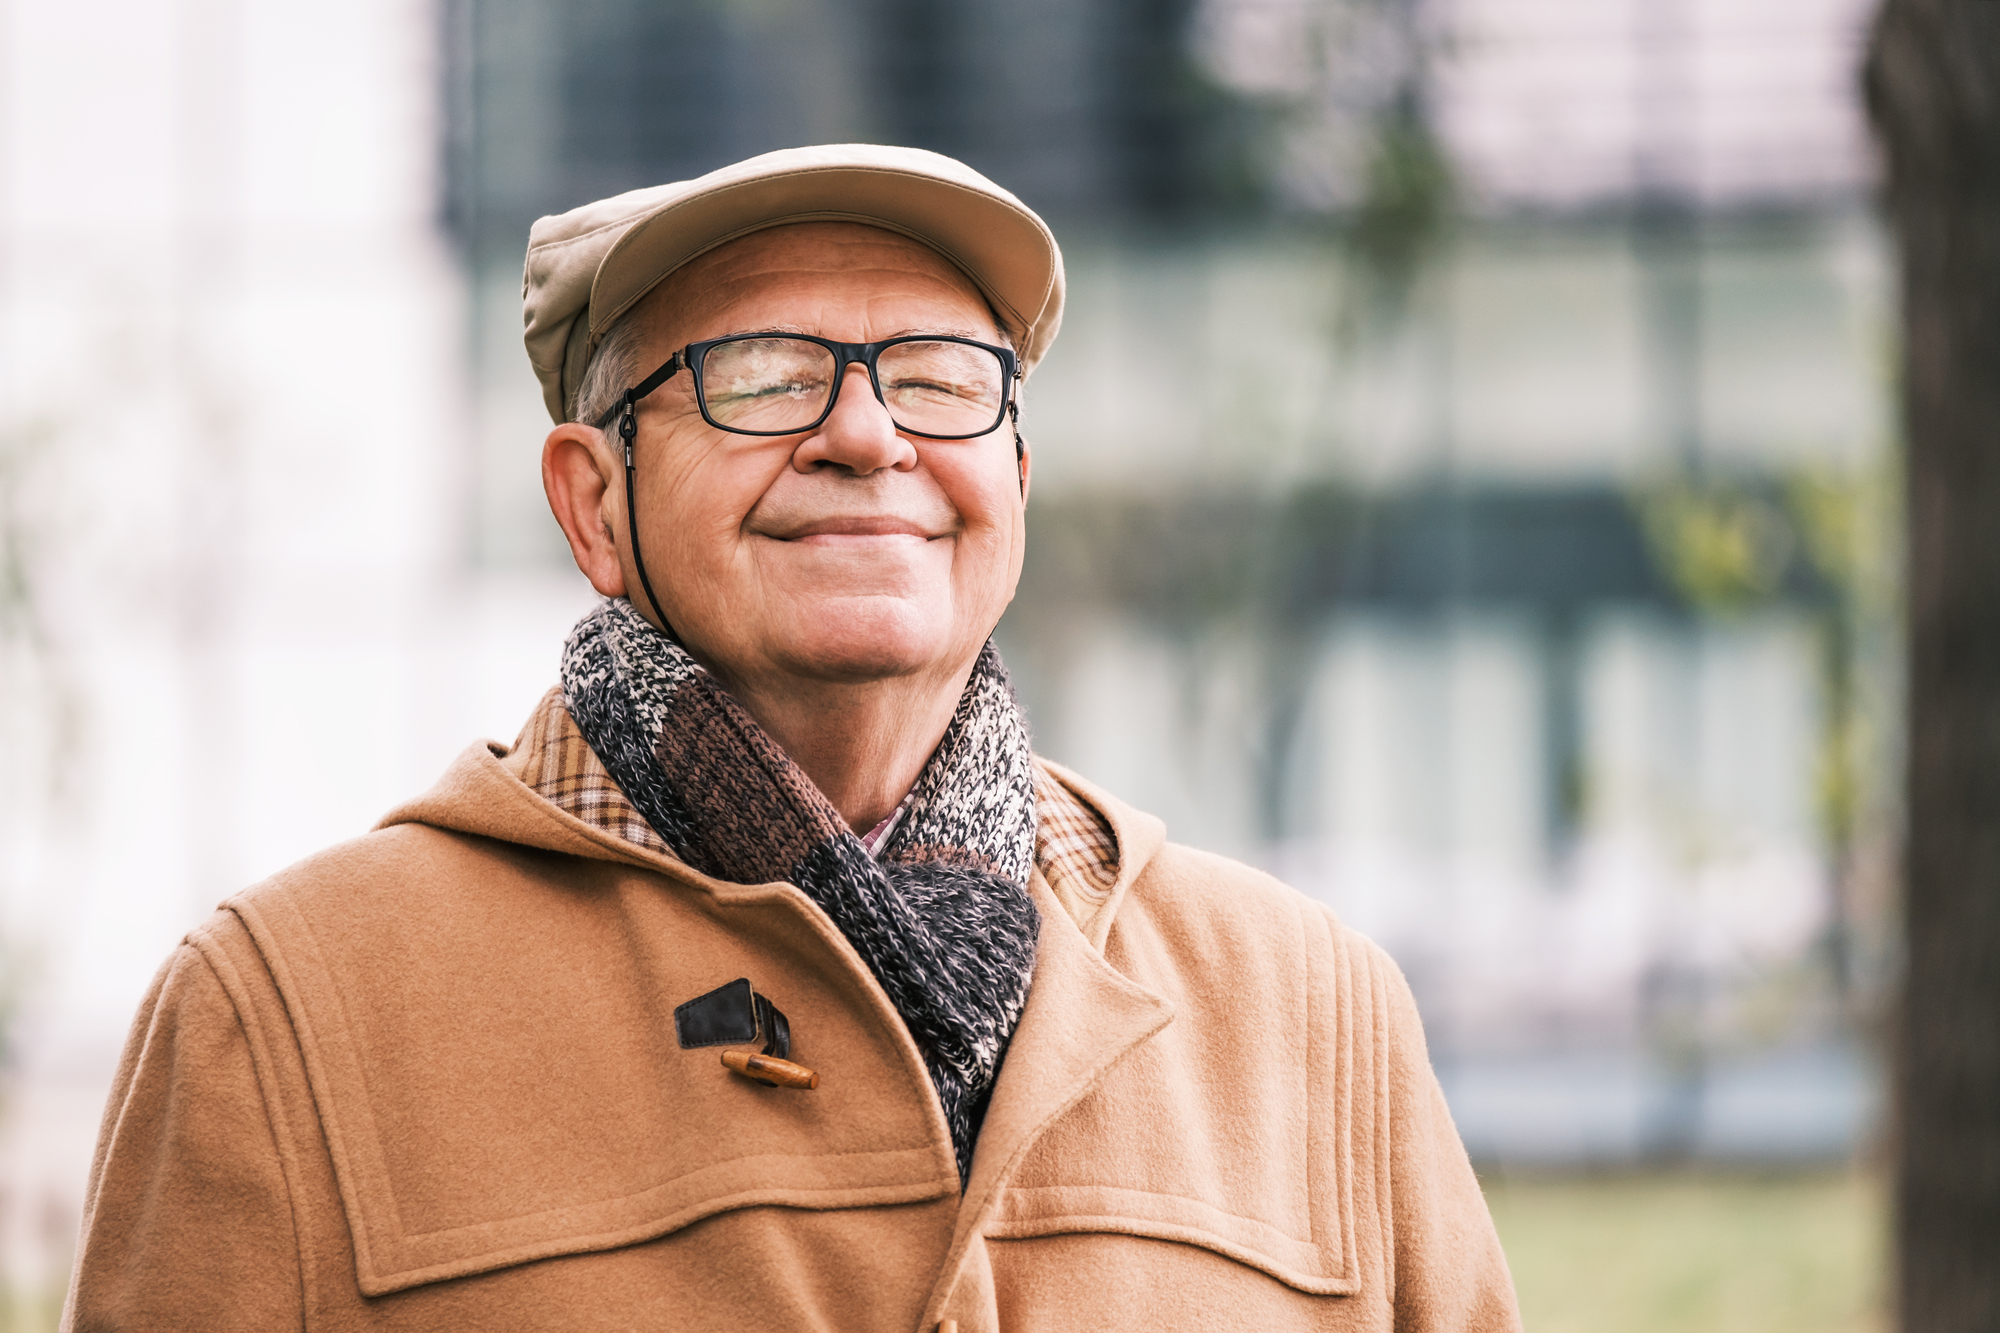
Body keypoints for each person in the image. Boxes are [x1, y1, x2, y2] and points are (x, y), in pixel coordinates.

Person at [62, 144, 1521, 1332]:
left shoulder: (1312, 1013)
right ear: (591, 504)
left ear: (1013, 472)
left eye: (942, 375)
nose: (870, 435)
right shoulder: (287, 1019)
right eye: (761, 373)